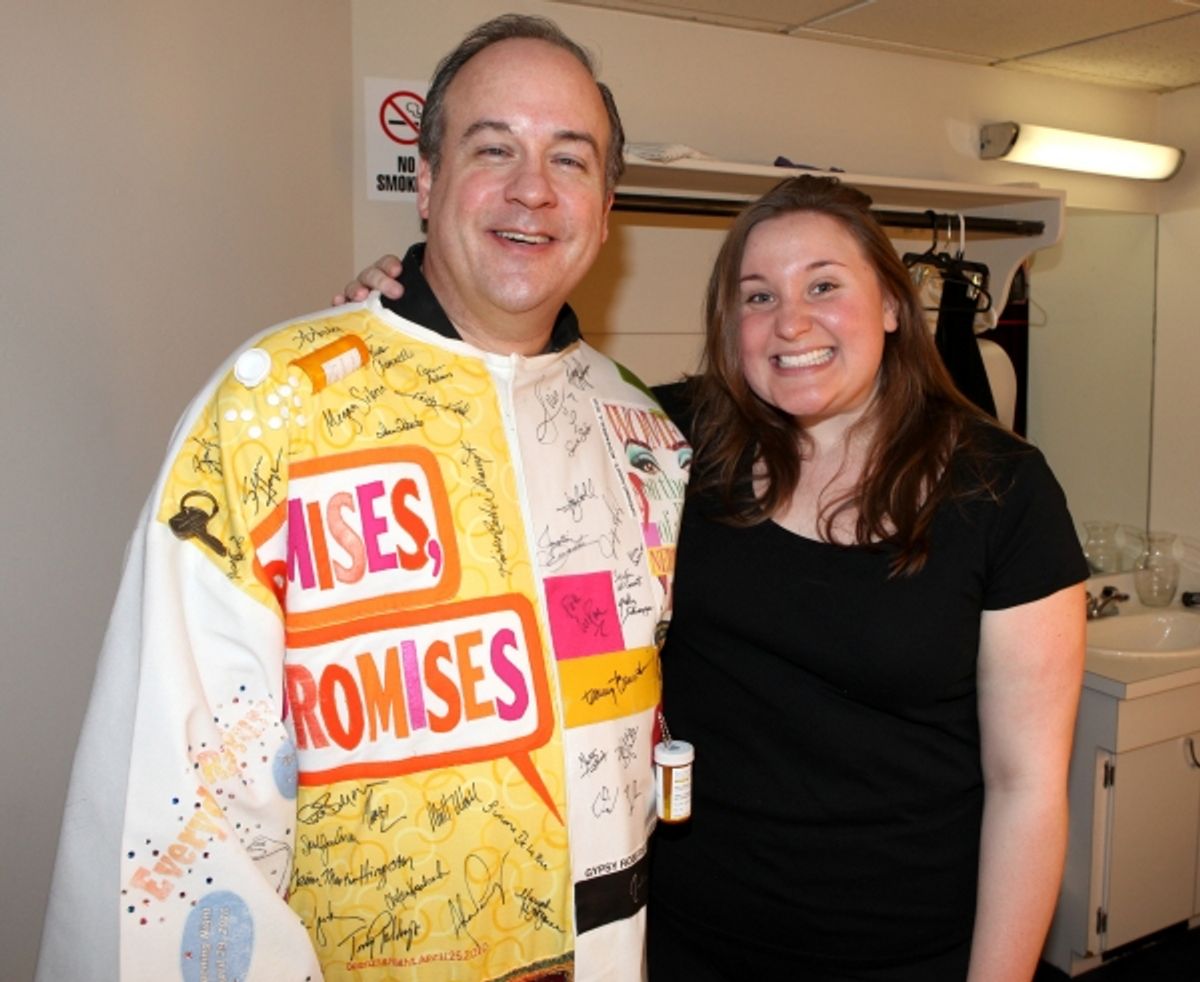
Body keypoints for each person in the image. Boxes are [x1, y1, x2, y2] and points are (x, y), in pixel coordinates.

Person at [38, 14, 686, 982]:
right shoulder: (271, 409)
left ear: (606, 204)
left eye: (571, 158)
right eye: (492, 148)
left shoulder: (645, 435)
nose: (532, 189)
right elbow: (182, 790)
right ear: (425, 182)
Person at [343, 175, 1088, 981]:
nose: (790, 321)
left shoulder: (1001, 490)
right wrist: (411, 313)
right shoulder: (673, 442)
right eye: (758, 296)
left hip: (903, 952)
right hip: (682, 940)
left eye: (825, 286)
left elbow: (1028, 789)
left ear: (892, 306)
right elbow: (509, 399)